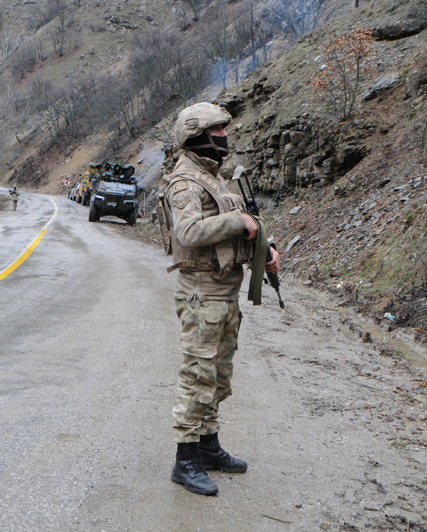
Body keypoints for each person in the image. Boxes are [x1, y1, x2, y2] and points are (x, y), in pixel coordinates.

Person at [161, 102, 280, 496]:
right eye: (218, 131)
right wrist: (238, 221)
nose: (225, 138)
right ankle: (186, 460)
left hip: (225, 293)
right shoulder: (185, 182)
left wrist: (266, 248)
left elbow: (240, 227)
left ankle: (208, 446)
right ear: (197, 135)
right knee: (198, 374)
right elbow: (190, 232)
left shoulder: (215, 178)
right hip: (201, 294)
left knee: (219, 375)